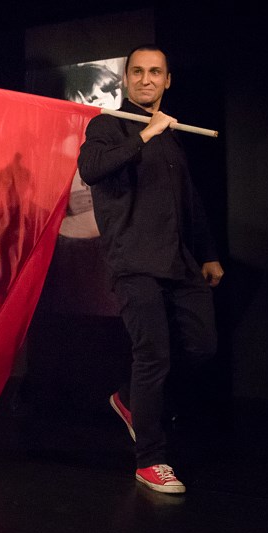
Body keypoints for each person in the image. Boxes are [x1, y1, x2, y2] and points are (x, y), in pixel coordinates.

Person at [77, 46, 224, 494]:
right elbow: (91, 168)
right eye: (137, 72)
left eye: (154, 72)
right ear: (125, 79)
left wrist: (207, 253)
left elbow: (188, 199)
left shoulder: (172, 134)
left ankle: (129, 399)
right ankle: (150, 460)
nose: (146, 79)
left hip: (178, 261)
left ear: (167, 80)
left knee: (202, 346)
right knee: (153, 355)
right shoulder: (108, 125)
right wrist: (144, 134)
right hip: (134, 260)